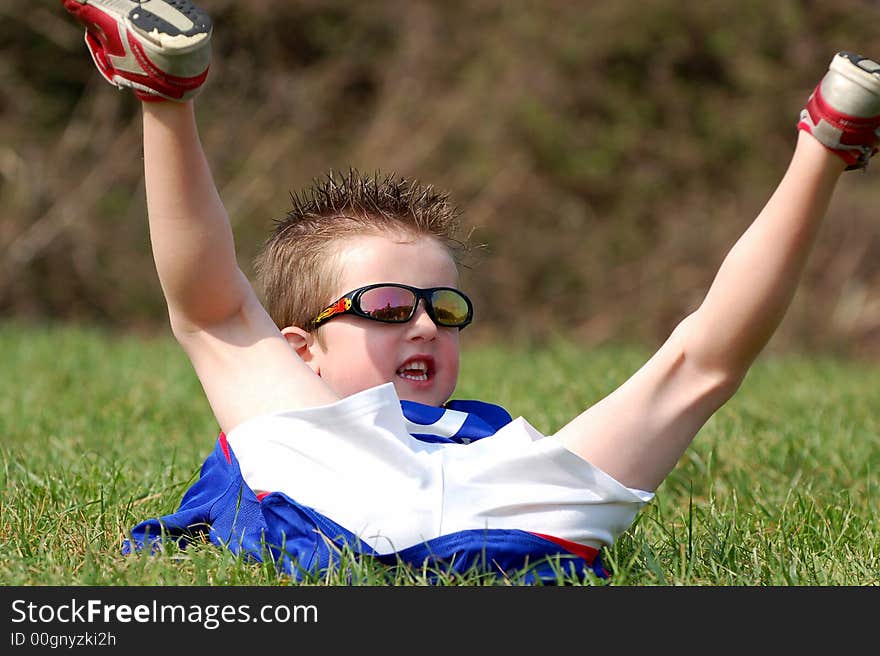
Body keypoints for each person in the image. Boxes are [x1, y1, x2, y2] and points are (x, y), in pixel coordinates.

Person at [60, 0, 880, 583]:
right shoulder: (303, 417)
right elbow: (217, 304)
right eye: (386, 308)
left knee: (698, 367)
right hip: (426, 483)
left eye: (441, 310)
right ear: (299, 350)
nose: (424, 326)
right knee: (694, 369)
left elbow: (212, 310)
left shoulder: (498, 446)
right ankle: (824, 142)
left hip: (509, 483)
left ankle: (829, 142)